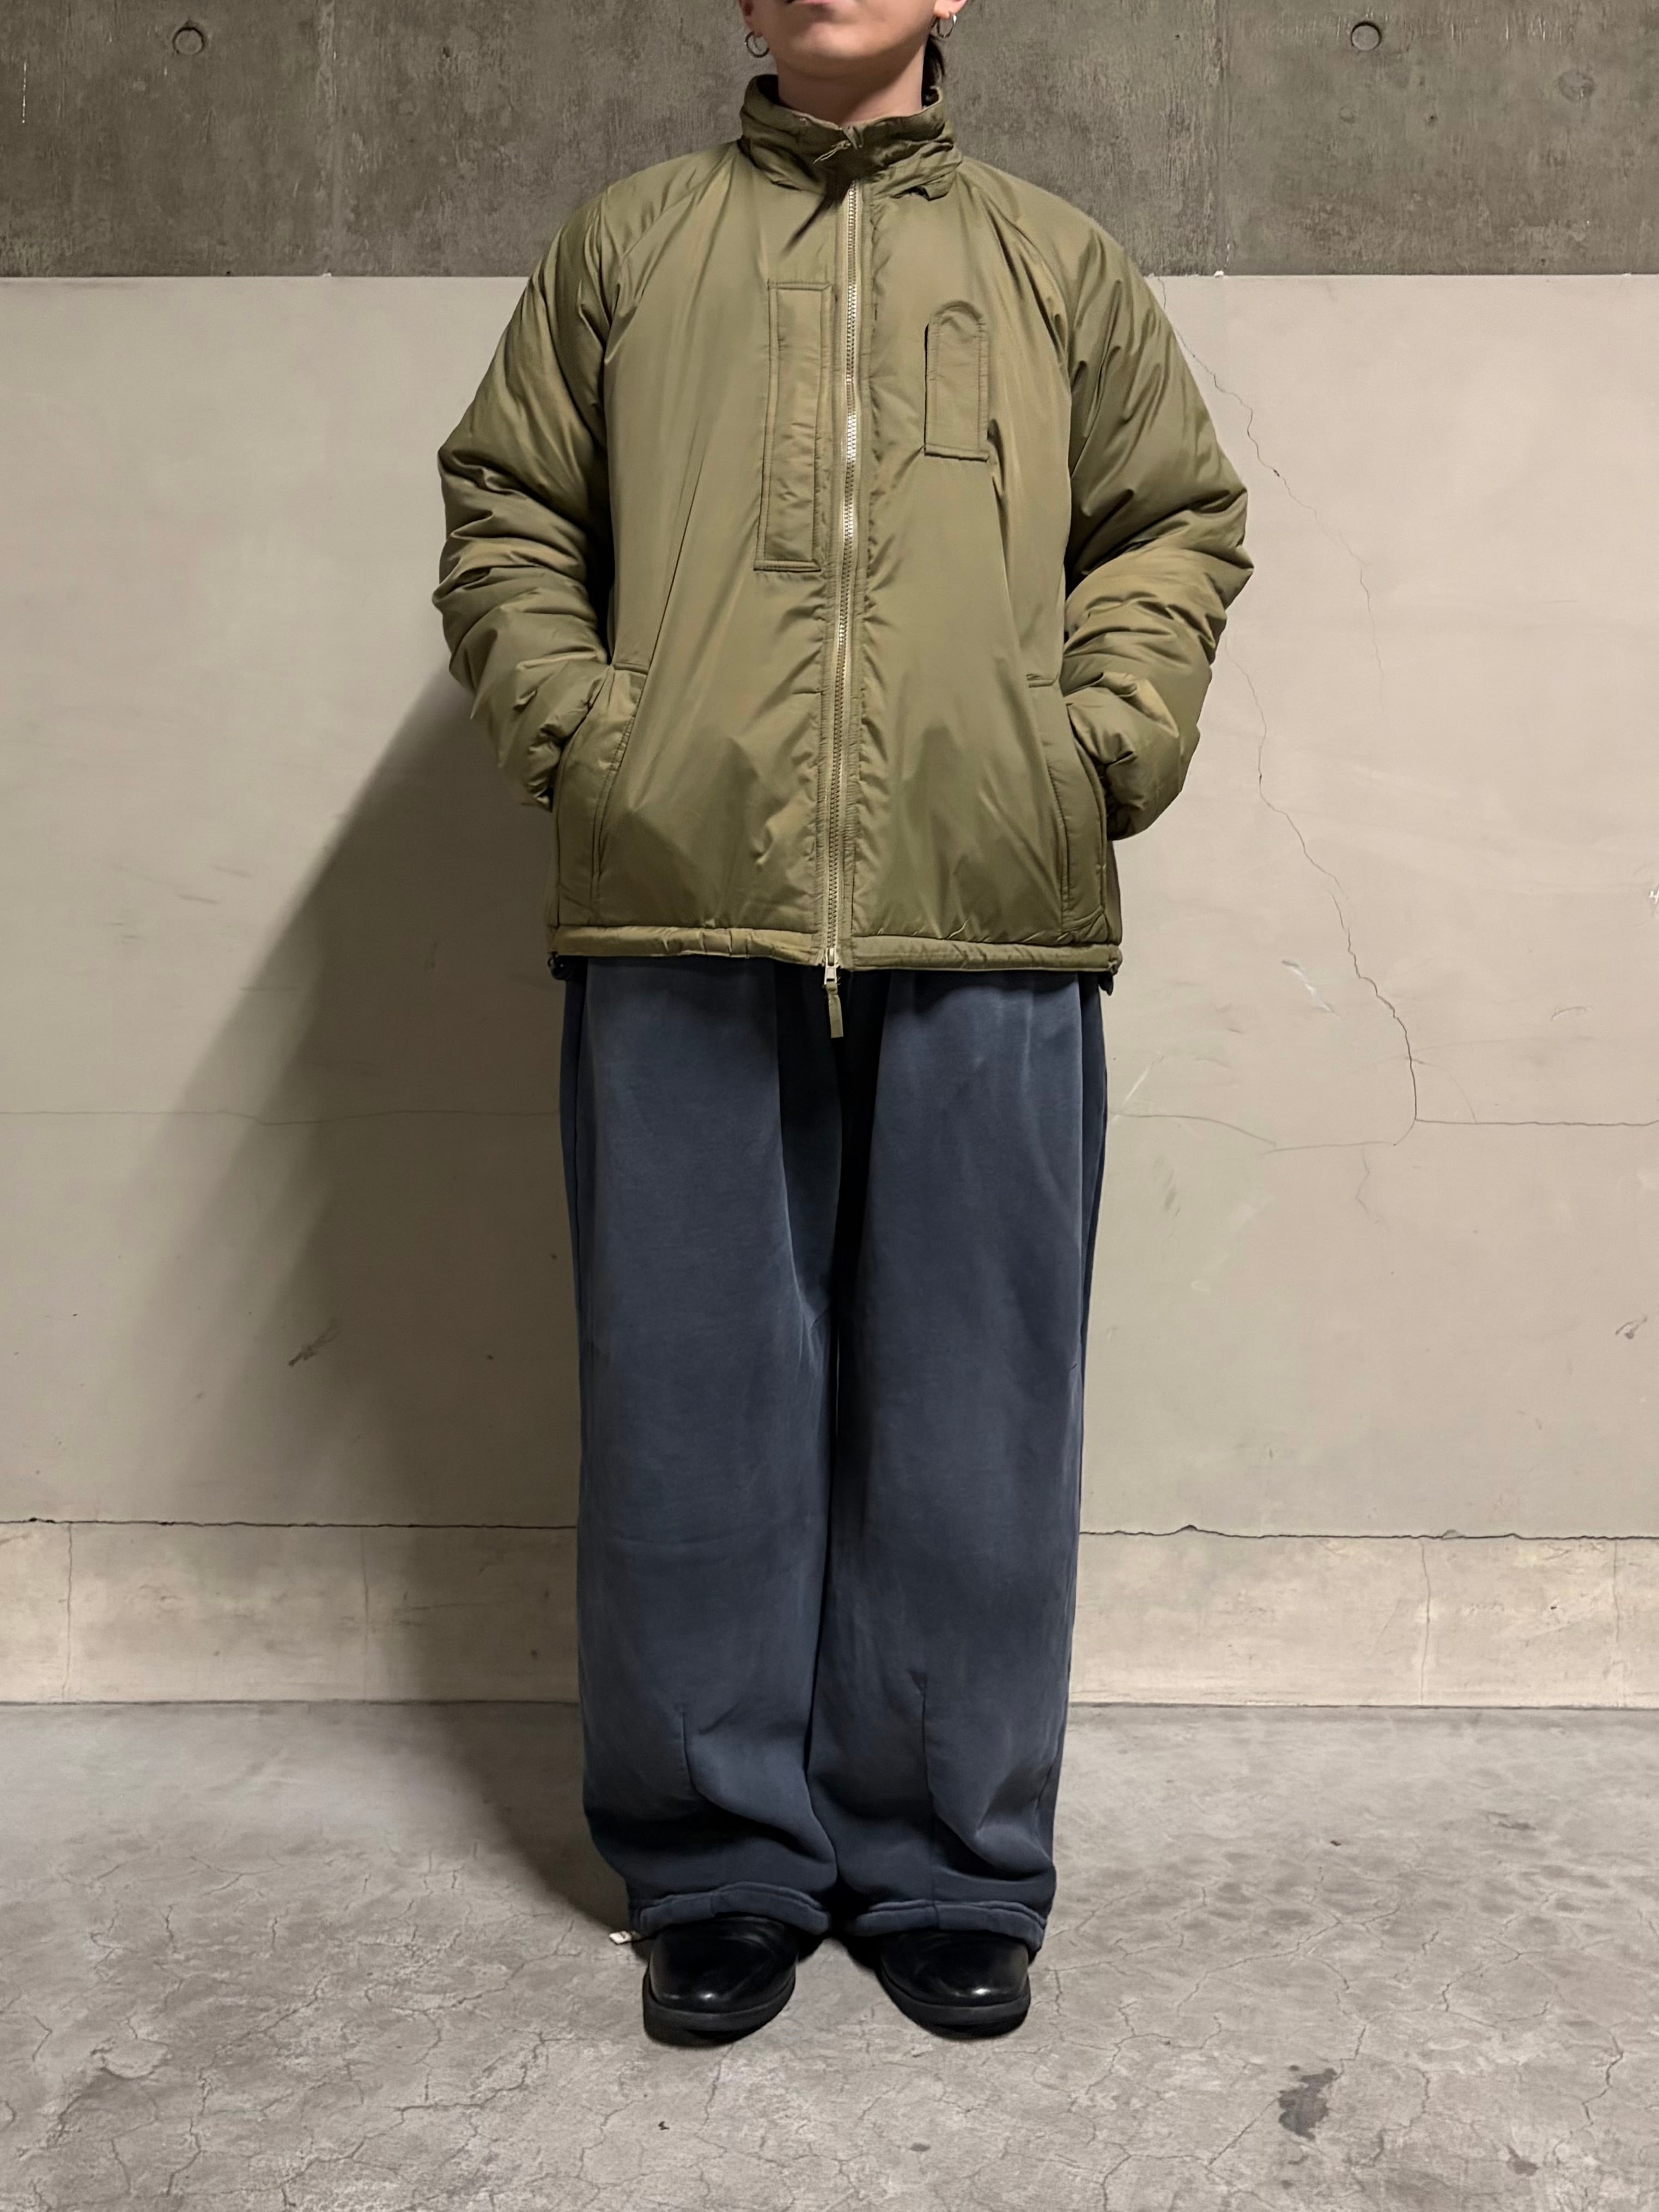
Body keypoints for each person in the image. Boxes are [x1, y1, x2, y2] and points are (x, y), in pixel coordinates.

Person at [433, 0, 1251, 2046]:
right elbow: (508, 508)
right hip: (679, 895)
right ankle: (715, 1861)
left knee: (977, 1402)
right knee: (688, 1392)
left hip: (995, 903)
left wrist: (1098, 743)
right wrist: (592, 738)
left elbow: (1174, 520)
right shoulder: (627, 243)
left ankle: (949, 1860)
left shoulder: (1058, 262)